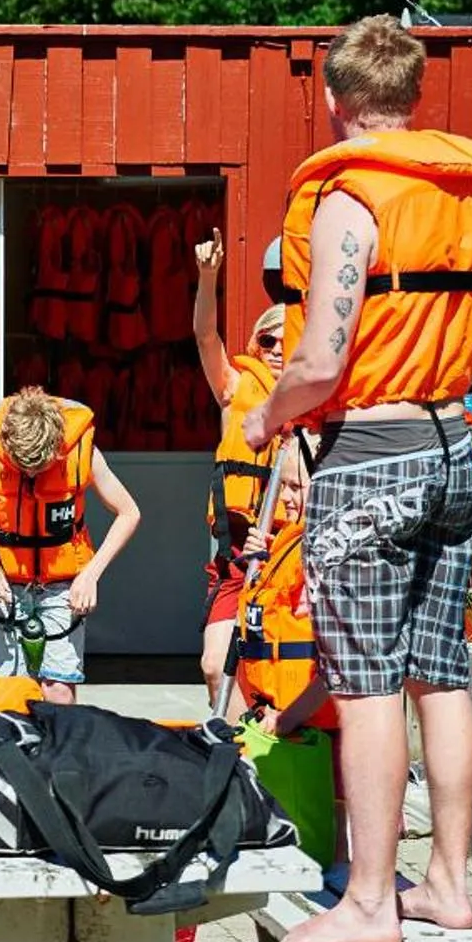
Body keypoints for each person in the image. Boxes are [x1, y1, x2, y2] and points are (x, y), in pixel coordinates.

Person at [242, 14, 472, 942]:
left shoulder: (350, 197)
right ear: (414, 94)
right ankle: (448, 885)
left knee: (365, 685)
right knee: (442, 671)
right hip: (453, 446)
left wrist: (271, 414)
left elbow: (319, 356)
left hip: (372, 454)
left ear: (332, 96)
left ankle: (366, 901)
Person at [0, 387, 140, 703]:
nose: (30, 473)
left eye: (39, 467)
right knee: (7, 690)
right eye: (21, 465)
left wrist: (90, 574)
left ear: (57, 448)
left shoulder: (84, 452)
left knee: (58, 689)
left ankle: (58, 750)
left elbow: (129, 512)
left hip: (62, 586)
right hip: (3, 581)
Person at [193, 231, 290, 711]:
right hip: (236, 551)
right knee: (217, 663)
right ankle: (233, 755)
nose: (274, 349)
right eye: (266, 339)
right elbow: (205, 336)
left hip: (289, 551)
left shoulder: (314, 400)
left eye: (286, 341)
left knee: (272, 663)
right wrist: (208, 277)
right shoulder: (235, 386)